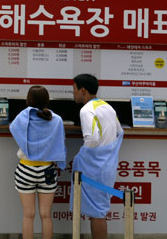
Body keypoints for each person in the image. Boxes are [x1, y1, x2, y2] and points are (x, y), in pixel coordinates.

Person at [10, 86, 66, 239]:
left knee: (28, 215)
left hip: (25, 170)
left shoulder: (23, 117)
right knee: (46, 215)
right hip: (47, 171)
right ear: (47, 100)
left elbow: (12, 127)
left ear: (28, 100)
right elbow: (60, 144)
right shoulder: (57, 120)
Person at [71, 73, 123, 239]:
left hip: (95, 168)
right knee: (99, 211)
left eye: (74, 89)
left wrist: (83, 157)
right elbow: (120, 132)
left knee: (97, 214)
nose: (73, 93)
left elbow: (91, 139)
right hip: (108, 166)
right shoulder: (108, 107)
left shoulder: (86, 110)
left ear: (83, 90)